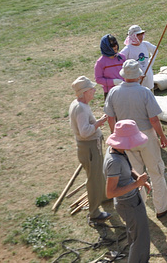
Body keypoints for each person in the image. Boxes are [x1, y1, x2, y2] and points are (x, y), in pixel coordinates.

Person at [104, 59, 167, 219]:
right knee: (156, 171)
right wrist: (162, 136)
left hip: (126, 139)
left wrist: (117, 137)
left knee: (134, 174)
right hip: (146, 136)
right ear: (138, 76)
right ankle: (162, 207)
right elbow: (154, 119)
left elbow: (110, 118)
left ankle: (139, 208)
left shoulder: (114, 92)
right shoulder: (144, 92)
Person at [103, 120, 152, 263]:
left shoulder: (119, 151)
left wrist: (138, 179)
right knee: (139, 239)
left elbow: (128, 169)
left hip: (132, 200)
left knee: (136, 236)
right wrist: (136, 184)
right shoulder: (114, 162)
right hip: (127, 204)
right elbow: (110, 192)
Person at [69, 76, 110, 223]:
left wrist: (98, 121)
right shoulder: (80, 108)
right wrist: (98, 123)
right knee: (93, 180)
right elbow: (85, 131)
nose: (94, 91)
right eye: (91, 89)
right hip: (89, 148)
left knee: (98, 174)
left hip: (92, 147)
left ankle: (104, 196)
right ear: (85, 92)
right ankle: (94, 212)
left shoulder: (81, 104)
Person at [120, 25, 156, 90]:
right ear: (132, 36)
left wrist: (150, 64)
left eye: (142, 34)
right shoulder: (128, 49)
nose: (141, 37)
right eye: (138, 35)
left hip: (148, 79)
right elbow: (119, 61)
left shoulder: (145, 44)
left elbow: (155, 50)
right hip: (136, 82)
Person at [94, 34, 126, 100]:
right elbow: (98, 79)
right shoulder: (100, 62)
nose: (115, 46)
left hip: (124, 90)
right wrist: (113, 82)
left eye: (116, 43)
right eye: (112, 45)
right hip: (110, 93)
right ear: (106, 47)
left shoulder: (122, 57)